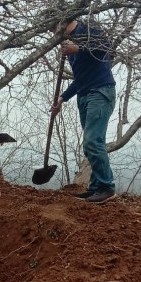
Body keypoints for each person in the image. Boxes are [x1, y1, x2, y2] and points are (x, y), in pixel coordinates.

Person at [51, 18, 117, 203]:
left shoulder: (89, 29)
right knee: (93, 144)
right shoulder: (67, 45)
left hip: (101, 91)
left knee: (91, 142)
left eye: (53, 29)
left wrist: (79, 48)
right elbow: (80, 78)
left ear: (62, 23)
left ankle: (107, 187)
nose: (53, 34)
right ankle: (96, 188)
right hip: (85, 94)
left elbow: (105, 47)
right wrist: (62, 98)